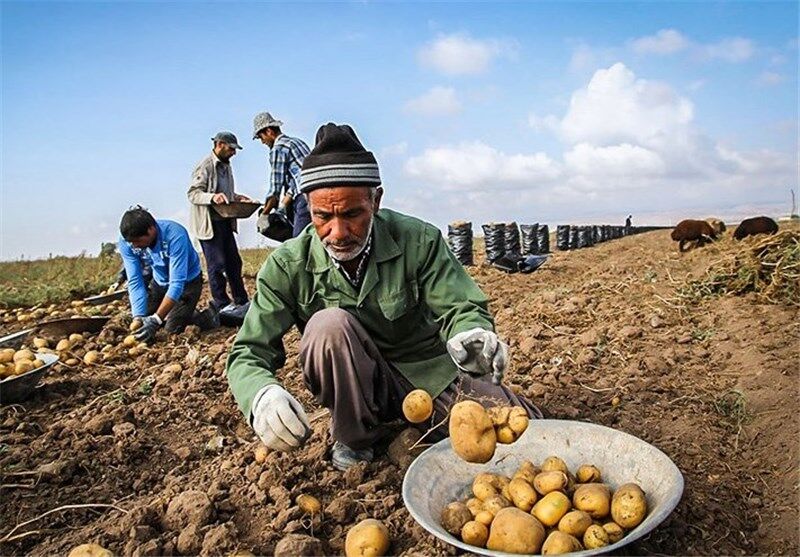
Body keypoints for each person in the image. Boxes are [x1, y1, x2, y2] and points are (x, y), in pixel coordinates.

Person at [226, 123, 540, 471]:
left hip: (426, 375)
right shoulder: (287, 265)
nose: (338, 232)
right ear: (308, 207)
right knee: (328, 326)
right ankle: (356, 437)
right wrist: (261, 395)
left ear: (375, 201)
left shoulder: (418, 240)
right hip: (353, 387)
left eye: (352, 214)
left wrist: (471, 333)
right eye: (322, 216)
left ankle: (423, 420)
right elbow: (249, 351)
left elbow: (461, 306)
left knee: (523, 434)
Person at [118, 207, 218, 342]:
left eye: (137, 241)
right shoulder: (127, 242)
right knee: (142, 321)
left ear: (151, 230)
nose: (134, 246)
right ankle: (182, 311)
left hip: (187, 283)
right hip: (160, 282)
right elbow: (135, 280)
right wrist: (138, 317)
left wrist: (156, 319)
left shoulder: (175, 235)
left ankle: (206, 317)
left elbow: (177, 284)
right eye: (131, 242)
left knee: (171, 330)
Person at [187, 132, 252, 318]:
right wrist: (212, 198)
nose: (234, 153)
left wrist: (236, 197)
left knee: (234, 262)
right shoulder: (205, 165)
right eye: (231, 149)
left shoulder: (226, 167)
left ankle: (241, 301)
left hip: (224, 221)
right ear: (220, 144)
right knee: (217, 265)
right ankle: (222, 304)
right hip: (209, 224)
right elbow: (193, 194)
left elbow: (225, 194)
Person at [252, 112, 312, 237]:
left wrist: (264, 214)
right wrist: (283, 205)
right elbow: (299, 178)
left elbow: (275, 188)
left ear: (269, 131)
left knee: (300, 241)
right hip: (317, 194)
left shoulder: (278, 148)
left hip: (304, 198)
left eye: (261, 137)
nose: (262, 142)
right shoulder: (297, 142)